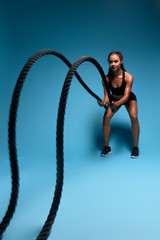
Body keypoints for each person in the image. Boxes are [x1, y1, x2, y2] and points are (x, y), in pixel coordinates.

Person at [98, 51, 140, 158]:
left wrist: (115, 104)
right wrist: (104, 102)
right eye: (111, 62)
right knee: (106, 118)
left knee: (134, 117)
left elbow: (126, 97)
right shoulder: (106, 79)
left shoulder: (129, 77)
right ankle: (107, 147)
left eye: (116, 61)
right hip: (114, 98)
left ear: (121, 61)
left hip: (128, 98)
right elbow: (107, 96)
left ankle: (135, 147)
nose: (113, 64)